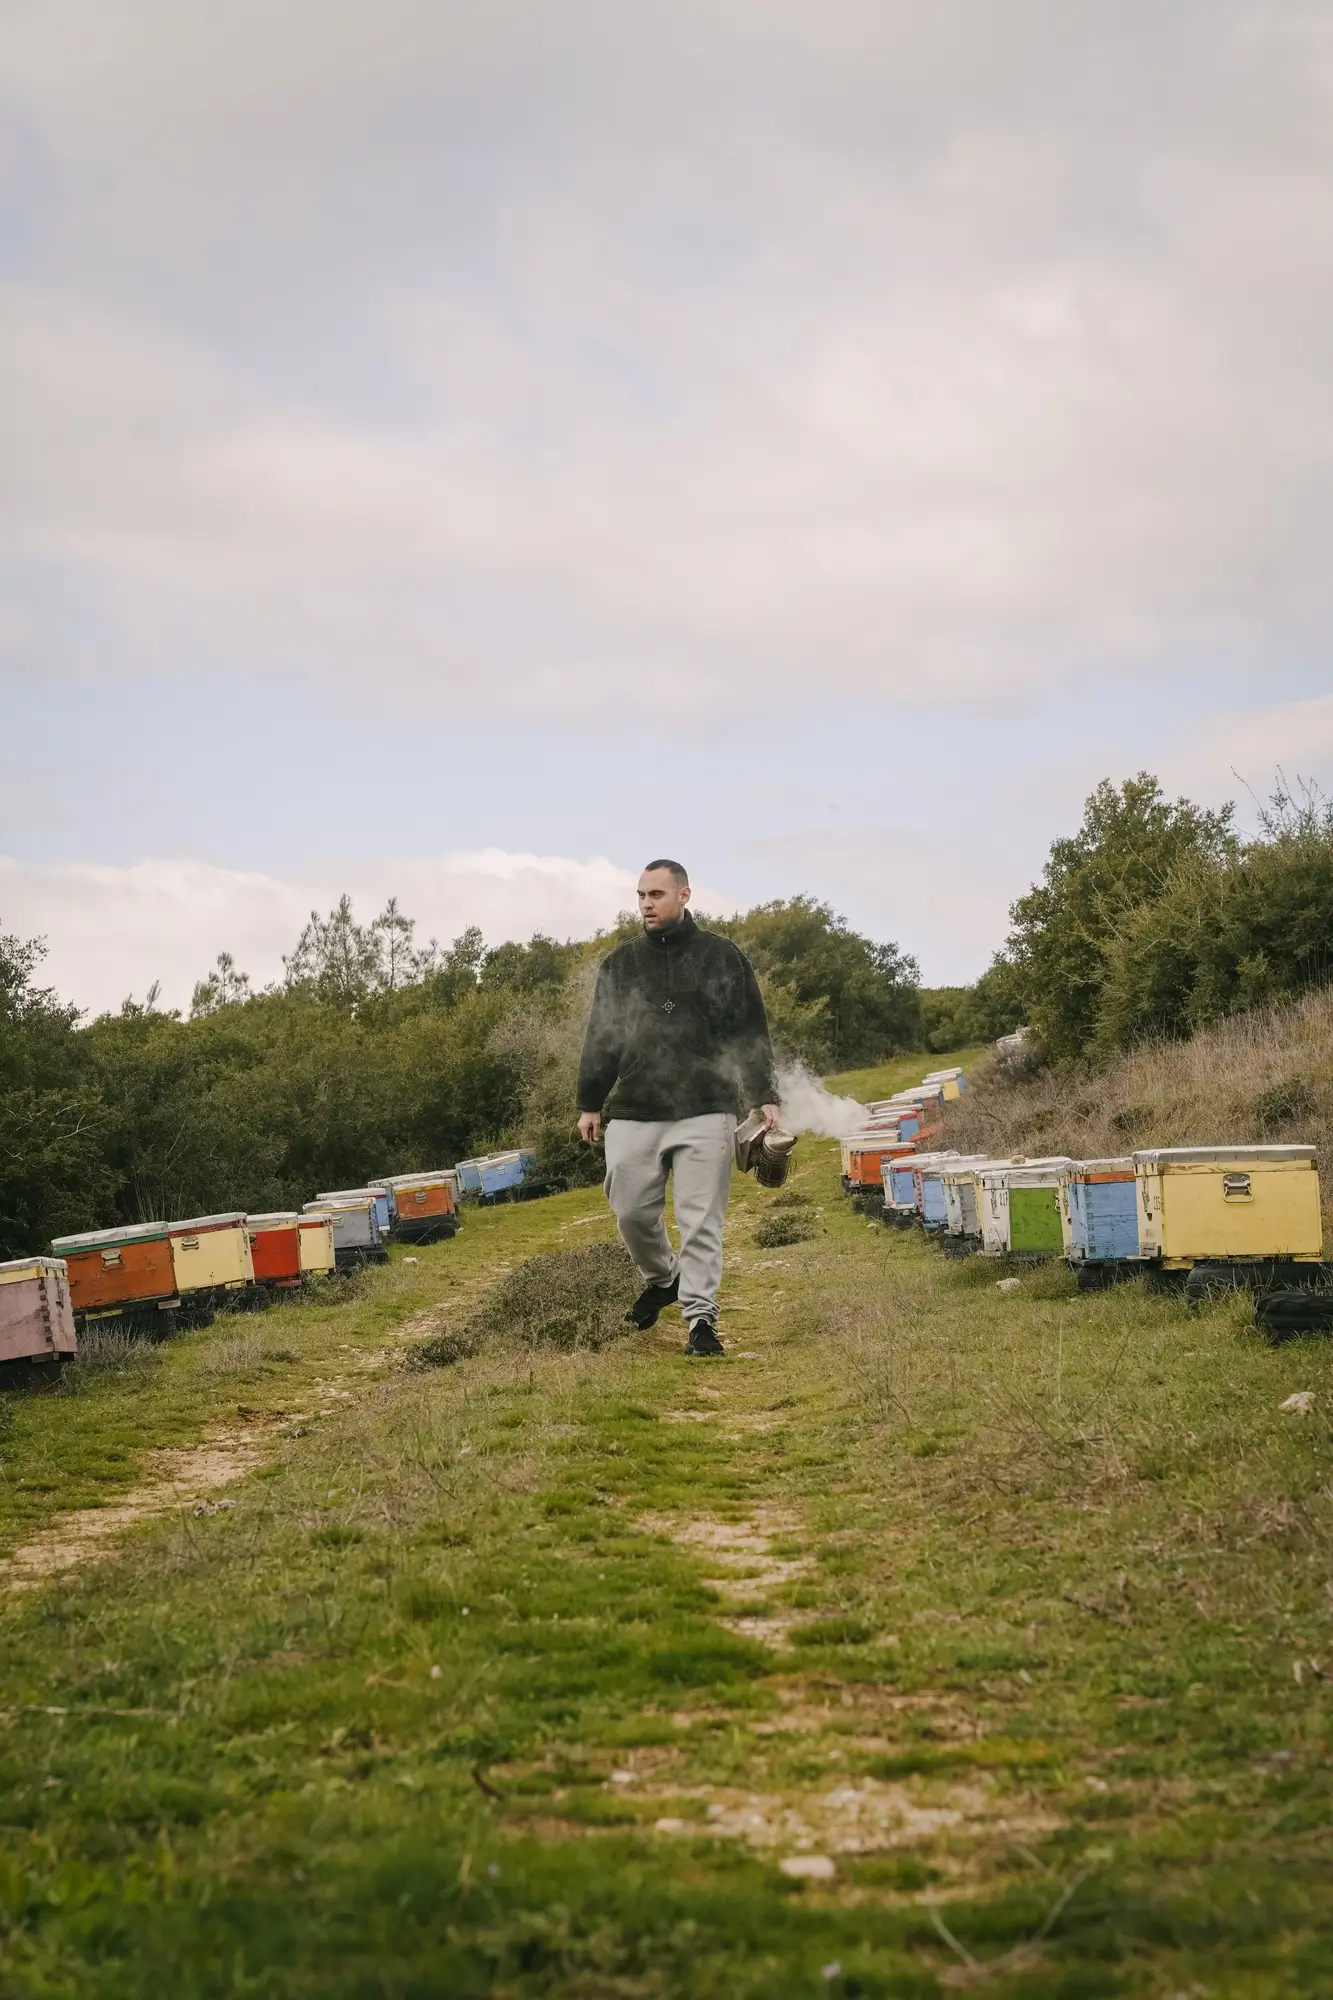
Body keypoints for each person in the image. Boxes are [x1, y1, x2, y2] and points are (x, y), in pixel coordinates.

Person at [576, 859, 780, 1356]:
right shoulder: (620, 964)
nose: (646, 903)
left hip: (706, 1107)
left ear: (684, 895)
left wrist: (764, 1094)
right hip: (635, 1108)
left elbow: (749, 1029)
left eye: (657, 895)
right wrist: (589, 1102)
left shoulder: (721, 957)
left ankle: (701, 1323)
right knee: (628, 1210)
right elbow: (601, 1036)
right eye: (641, 895)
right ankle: (664, 1277)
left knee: (700, 1221)